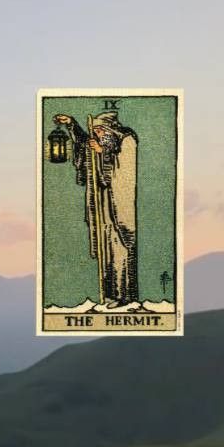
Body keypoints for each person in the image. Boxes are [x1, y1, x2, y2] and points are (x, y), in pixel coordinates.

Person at [53, 111, 139, 306]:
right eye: (96, 131)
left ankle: (124, 295)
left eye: (101, 130)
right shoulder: (103, 142)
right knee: (106, 247)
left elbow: (123, 166)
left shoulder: (127, 140)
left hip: (119, 207)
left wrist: (102, 151)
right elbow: (85, 144)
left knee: (120, 248)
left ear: (110, 130)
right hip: (103, 204)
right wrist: (71, 124)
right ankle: (111, 293)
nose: (98, 134)